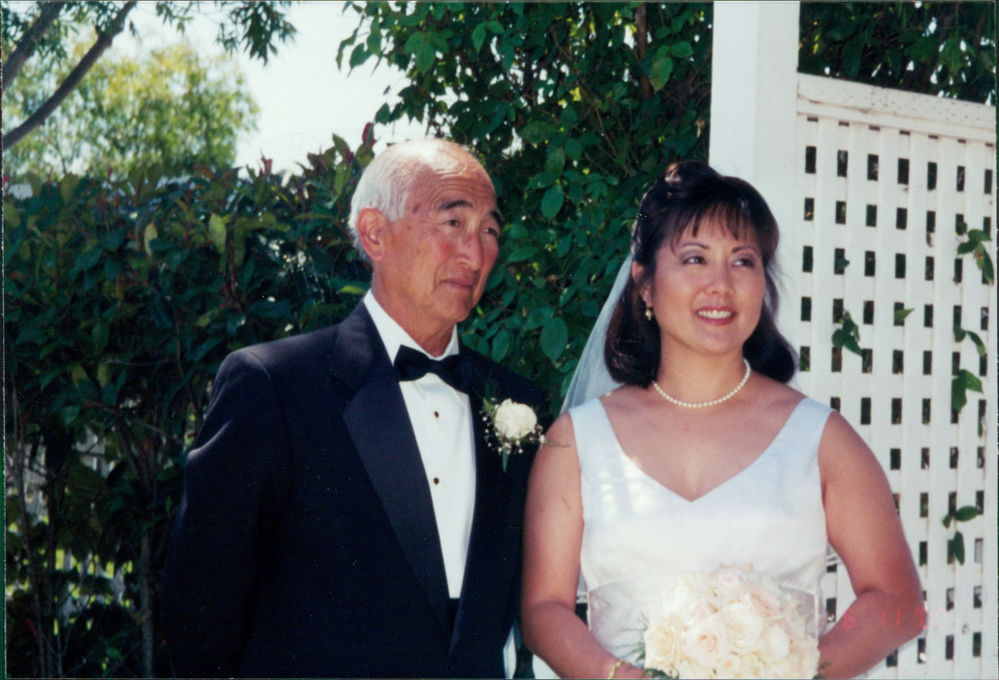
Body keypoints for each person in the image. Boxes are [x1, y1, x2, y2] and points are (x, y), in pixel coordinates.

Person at [521, 161, 923, 679]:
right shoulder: (577, 440)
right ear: (644, 284)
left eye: (742, 261)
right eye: (694, 259)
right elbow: (542, 609)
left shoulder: (821, 438)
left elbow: (898, 600)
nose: (720, 284)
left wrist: (802, 672)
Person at [161, 138, 543, 677]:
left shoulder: (518, 402)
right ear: (375, 234)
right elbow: (199, 609)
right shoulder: (274, 387)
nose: (475, 254)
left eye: (490, 231)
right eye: (453, 223)